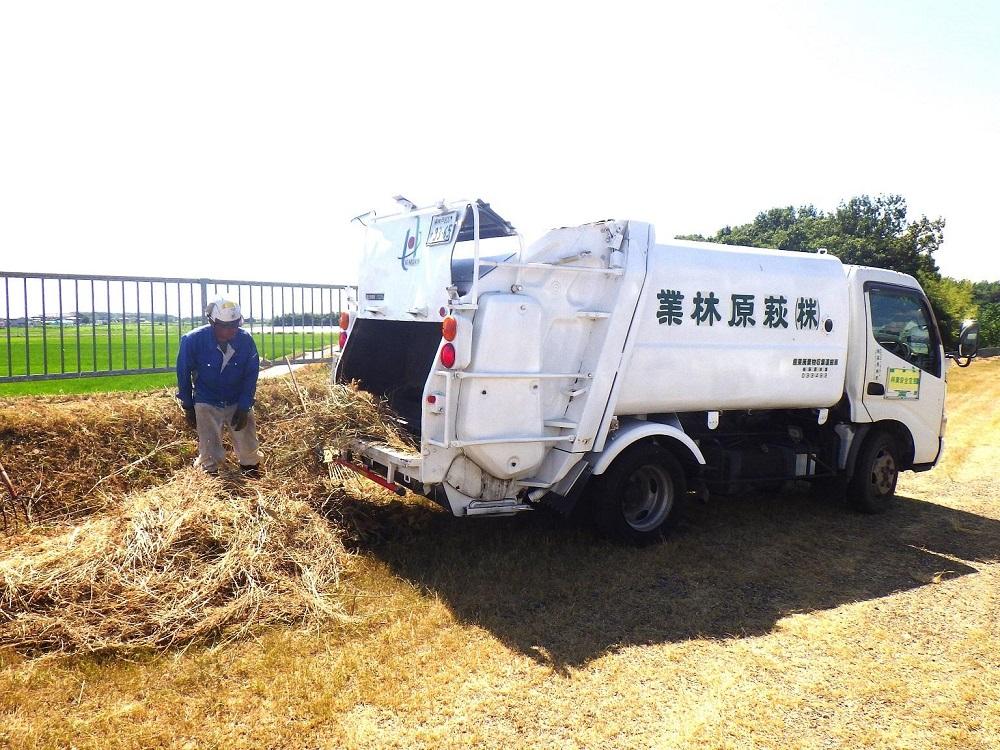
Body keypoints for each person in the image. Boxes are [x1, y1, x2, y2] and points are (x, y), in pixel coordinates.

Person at [176, 294, 263, 476]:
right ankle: (210, 477)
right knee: (209, 449)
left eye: (235, 325)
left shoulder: (245, 340)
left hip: (236, 398)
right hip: (207, 399)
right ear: (212, 322)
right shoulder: (192, 340)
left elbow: (251, 374)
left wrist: (244, 406)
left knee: (248, 443)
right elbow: (183, 374)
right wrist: (188, 406)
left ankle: (251, 471)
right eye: (225, 326)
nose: (231, 331)